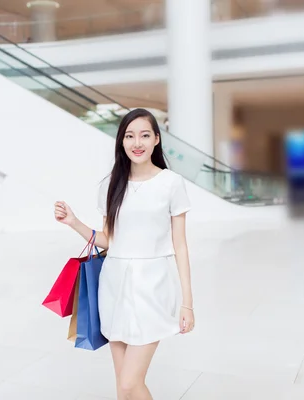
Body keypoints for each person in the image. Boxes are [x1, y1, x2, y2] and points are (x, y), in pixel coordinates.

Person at [54, 108, 195, 400]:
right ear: (121, 142)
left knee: (131, 383)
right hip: (114, 285)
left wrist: (187, 304)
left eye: (144, 135)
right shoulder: (111, 185)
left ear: (157, 139)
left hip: (153, 287)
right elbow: (109, 240)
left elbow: (180, 245)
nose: (137, 142)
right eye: (129, 136)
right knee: (122, 387)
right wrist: (74, 222)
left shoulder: (171, 183)